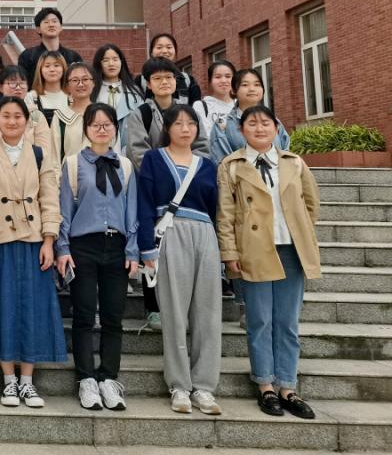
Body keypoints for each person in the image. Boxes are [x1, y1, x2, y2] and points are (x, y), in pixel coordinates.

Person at [217, 104, 321, 420]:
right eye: (252, 123)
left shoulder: (294, 163)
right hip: (254, 250)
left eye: (266, 123)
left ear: (276, 128)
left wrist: (301, 232)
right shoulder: (231, 165)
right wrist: (229, 253)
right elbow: (225, 214)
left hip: (291, 250)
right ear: (241, 130)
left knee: (287, 321)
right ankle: (265, 385)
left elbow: (311, 204)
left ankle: (288, 386)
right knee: (260, 319)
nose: (259, 128)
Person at [0, 96, 65, 408]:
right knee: (2, 307)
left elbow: (49, 198)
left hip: (34, 240)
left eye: (17, 116)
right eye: (6, 116)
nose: (12, 121)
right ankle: (9, 380)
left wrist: (49, 241)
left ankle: (27, 381)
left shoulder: (39, 154)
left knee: (32, 309)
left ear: (27, 121)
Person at [138, 105, 222, 416]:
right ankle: (179, 385)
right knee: (173, 312)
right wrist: (146, 248)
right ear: (167, 128)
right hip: (169, 234)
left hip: (205, 233)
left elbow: (215, 209)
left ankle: (204, 386)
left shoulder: (207, 165)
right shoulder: (153, 159)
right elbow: (144, 204)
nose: (185, 129)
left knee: (208, 313)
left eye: (191, 123)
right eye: (178, 123)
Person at [55, 103, 138, 412]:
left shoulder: (125, 165)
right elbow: (65, 210)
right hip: (83, 246)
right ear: (86, 129)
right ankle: (87, 378)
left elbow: (131, 210)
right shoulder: (73, 163)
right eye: (95, 125)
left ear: (115, 128)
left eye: (107, 124)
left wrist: (132, 250)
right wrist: (63, 249)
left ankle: (109, 378)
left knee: (114, 316)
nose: (102, 129)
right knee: (84, 314)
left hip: (117, 246)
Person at [126, 58, 209, 330]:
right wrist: (164, 174)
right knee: (153, 245)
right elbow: (137, 151)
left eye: (169, 77)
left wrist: (186, 175)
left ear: (176, 81)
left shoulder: (187, 113)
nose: (164, 82)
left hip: (188, 190)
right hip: (152, 189)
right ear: (149, 84)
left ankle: (186, 307)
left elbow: (202, 148)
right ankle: (154, 307)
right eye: (158, 78)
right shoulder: (141, 114)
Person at [210, 68, 290, 164]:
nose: (252, 89)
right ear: (234, 90)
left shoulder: (274, 121)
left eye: (257, 85)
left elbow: (286, 155)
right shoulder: (222, 125)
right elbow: (223, 163)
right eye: (245, 85)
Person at [0, 66, 52, 155]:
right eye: (12, 83)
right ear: (0, 87)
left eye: (22, 83)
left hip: (29, 163)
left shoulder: (36, 116)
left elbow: (45, 152)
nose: (18, 88)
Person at [91, 44, 145, 151]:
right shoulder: (92, 91)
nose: (111, 63)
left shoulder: (135, 92)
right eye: (105, 60)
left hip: (128, 150)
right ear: (99, 64)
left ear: (121, 62)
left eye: (115, 59)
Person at [18, 7, 83, 82]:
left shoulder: (73, 56)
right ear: (38, 29)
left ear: (61, 27)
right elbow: (24, 82)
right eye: (46, 22)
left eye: (54, 21)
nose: (51, 25)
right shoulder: (27, 56)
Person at [139, 33, 202, 106]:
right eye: (159, 47)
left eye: (169, 47)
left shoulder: (188, 80)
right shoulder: (141, 81)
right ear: (151, 52)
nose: (165, 51)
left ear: (175, 51)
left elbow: (196, 108)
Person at [52, 62, 96, 162]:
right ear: (67, 86)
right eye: (75, 80)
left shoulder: (103, 114)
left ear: (93, 83)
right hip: (70, 170)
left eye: (85, 79)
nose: (80, 84)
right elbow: (54, 156)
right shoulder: (60, 117)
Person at [194, 60, 237, 138]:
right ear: (210, 81)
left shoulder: (241, 105)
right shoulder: (201, 106)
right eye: (218, 77)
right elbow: (205, 137)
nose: (223, 81)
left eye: (228, 76)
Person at [25, 50, 68, 127]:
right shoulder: (31, 97)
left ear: (63, 68)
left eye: (56, 65)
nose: (52, 70)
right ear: (40, 70)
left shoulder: (72, 97)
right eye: (47, 66)